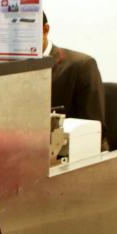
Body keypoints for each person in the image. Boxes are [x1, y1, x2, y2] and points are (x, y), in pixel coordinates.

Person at [42, 12, 107, 145]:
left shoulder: (81, 66)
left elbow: (94, 130)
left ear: (45, 29)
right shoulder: (8, 69)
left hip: (71, 154)